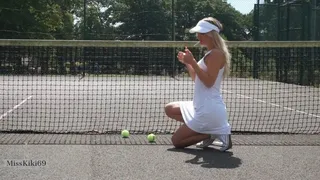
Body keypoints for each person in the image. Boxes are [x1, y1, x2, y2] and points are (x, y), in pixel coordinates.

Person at [164, 17, 232, 152]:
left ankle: (212, 133)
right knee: (170, 108)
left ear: (210, 35)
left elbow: (208, 83)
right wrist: (188, 63)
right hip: (200, 106)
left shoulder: (216, 54)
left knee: (176, 141)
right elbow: (197, 79)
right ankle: (209, 131)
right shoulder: (210, 53)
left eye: (202, 33)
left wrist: (193, 62)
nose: (198, 36)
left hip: (209, 110)